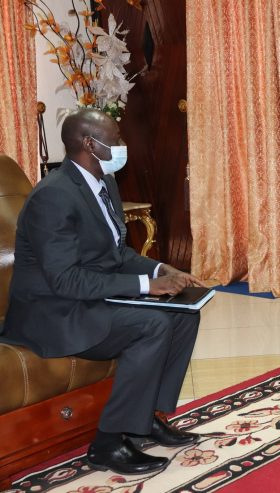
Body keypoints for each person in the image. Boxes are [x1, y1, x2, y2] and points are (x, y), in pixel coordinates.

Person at [1, 108, 204, 475]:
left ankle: (144, 419)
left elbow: (116, 254)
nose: (122, 144)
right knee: (152, 325)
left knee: (184, 314)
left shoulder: (104, 183)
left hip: (89, 299)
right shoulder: (54, 196)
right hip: (52, 313)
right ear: (90, 144)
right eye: (116, 139)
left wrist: (161, 269)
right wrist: (147, 286)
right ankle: (108, 444)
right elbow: (65, 280)